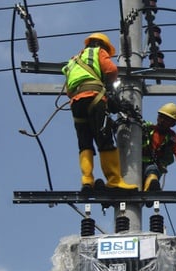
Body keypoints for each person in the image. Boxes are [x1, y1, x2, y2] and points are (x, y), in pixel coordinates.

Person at [62, 32, 136, 192]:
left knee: (84, 142)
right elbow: (111, 70)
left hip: (76, 102)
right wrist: (107, 87)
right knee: (104, 139)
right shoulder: (98, 52)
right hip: (94, 99)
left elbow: (68, 89)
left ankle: (87, 180)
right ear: (102, 45)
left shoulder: (73, 60)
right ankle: (114, 180)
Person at [142, 103, 176, 192]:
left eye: (166, 119)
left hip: (154, 166)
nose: (162, 120)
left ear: (173, 124)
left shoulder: (174, 139)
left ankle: (151, 189)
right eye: (160, 116)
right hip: (135, 162)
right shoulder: (147, 128)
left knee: (152, 171)